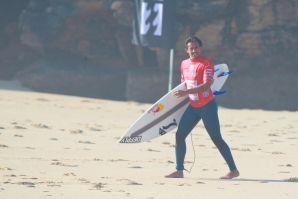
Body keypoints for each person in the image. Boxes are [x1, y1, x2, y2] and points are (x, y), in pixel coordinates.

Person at [165, 36, 240, 179]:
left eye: (196, 47)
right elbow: (184, 84)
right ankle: (179, 170)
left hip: (207, 106)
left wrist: (185, 92)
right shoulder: (184, 64)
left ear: (201, 48)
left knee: (216, 138)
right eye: (191, 48)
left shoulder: (207, 64)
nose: (194, 50)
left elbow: (207, 85)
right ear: (186, 50)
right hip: (193, 106)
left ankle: (233, 170)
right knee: (179, 135)